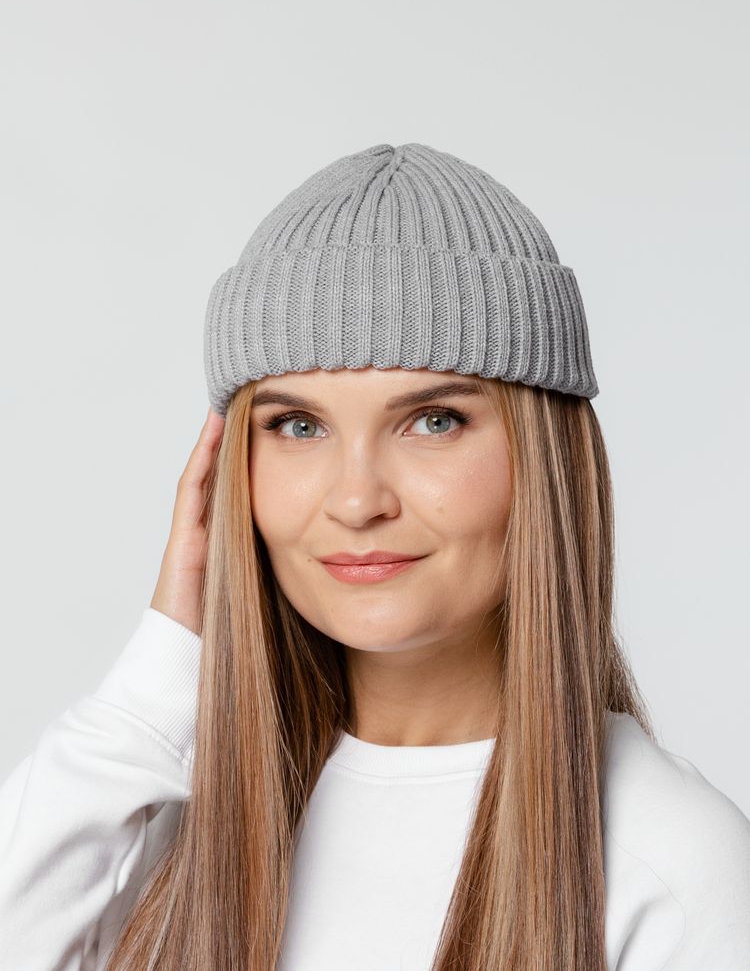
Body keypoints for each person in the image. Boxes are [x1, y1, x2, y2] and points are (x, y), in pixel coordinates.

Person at [0, 142, 748, 971]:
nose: (357, 501)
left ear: (545, 464)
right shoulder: (159, 823)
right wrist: (165, 660)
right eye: (298, 426)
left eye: (434, 421)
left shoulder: (669, 865)